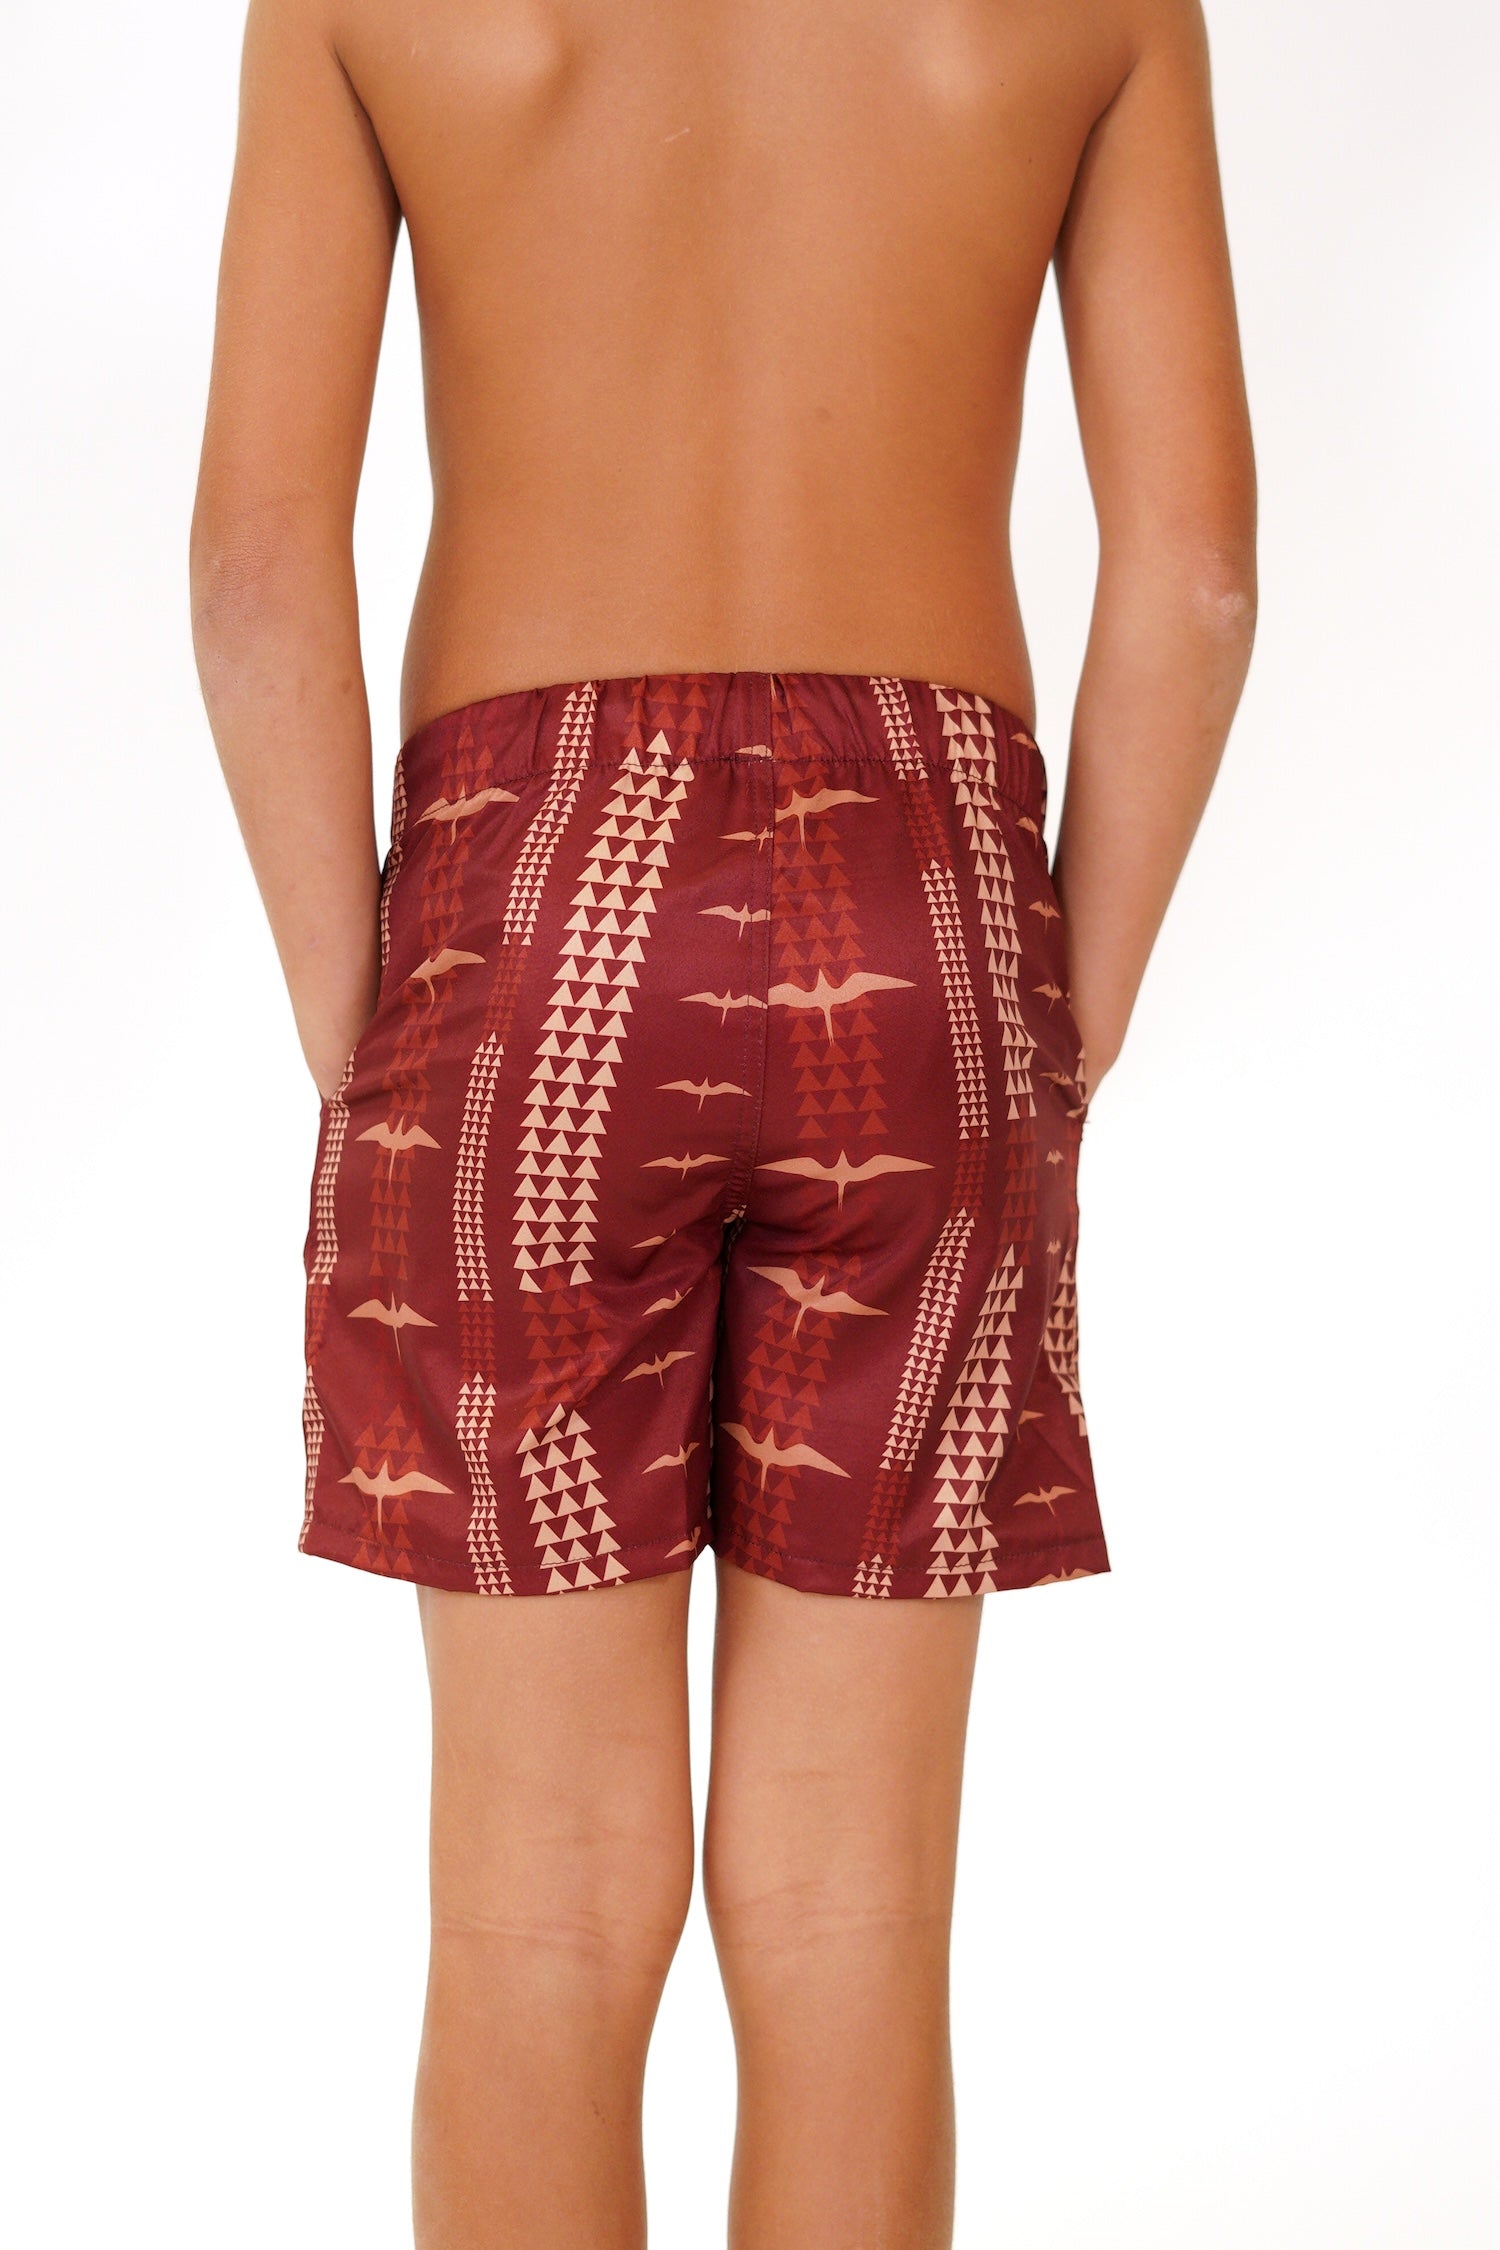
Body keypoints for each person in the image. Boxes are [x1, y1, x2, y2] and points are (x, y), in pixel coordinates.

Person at [190, 0, 1255, 2238]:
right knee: (853, 1908)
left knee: (539, 1908)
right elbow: (1196, 573)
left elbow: (261, 564)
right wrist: (1051, 1022)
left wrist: (363, 1036)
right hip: (929, 896)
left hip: (524, 911)